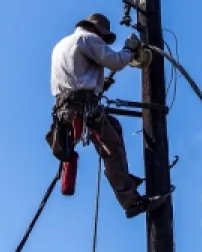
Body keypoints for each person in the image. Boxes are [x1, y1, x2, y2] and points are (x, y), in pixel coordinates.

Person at [48, 12, 165, 218]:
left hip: (65, 111)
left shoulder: (62, 44)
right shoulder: (88, 38)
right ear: (95, 30)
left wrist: (101, 84)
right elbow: (117, 62)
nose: (102, 41)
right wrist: (129, 49)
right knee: (112, 151)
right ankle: (130, 201)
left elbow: (79, 76)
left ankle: (124, 179)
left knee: (115, 127)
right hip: (83, 108)